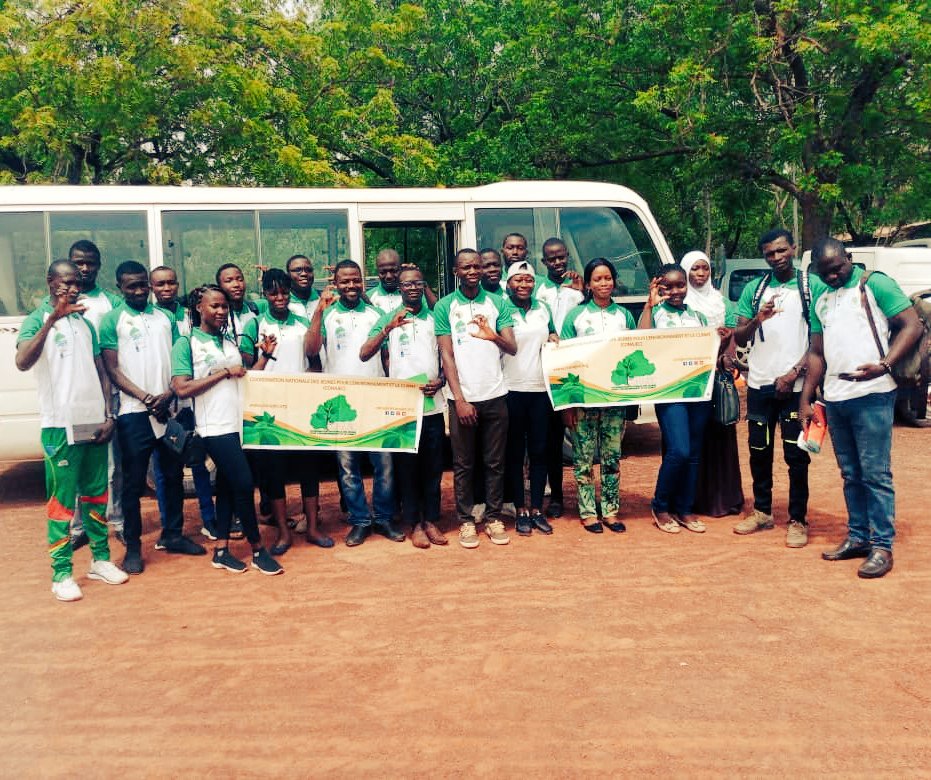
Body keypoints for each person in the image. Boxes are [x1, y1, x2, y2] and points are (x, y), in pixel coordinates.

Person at [801, 238, 924, 579]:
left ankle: (882, 546)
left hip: (873, 393)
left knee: (875, 474)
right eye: (825, 273)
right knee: (851, 474)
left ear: (849, 259)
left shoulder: (875, 284)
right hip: (836, 397)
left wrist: (884, 364)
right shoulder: (822, 300)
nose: (833, 277)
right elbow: (816, 352)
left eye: (837, 269)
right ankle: (858, 538)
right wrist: (806, 398)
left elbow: (911, 325)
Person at [15, 259, 129, 601]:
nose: (72, 288)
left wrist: (109, 413)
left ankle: (100, 560)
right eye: (64, 282)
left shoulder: (84, 322)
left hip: (93, 421)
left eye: (76, 282)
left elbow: (100, 371)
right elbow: (22, 361)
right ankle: (61, 573)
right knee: (62, 502)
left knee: (97, 495)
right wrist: (52, 319)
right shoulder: (38, 319)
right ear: (50, 282)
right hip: (58, 426)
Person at [99, 261, 206, 574]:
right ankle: (133, 548)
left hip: (167, 410)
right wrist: (145, 397)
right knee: (132, 485)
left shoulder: (166, 317)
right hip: (134, 415)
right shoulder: (112, 320)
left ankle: (173, 535)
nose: (138, 290)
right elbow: (112, 369)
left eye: (142, 284)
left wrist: (169, 395)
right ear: (120, 287)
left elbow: (178, 362)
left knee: (172, 476)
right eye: (131, 286)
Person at [171, 285, 283, 575]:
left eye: (224, 307)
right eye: (215, 306)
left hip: (238, 425)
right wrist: (222, 372)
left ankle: (221, 550)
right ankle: (258, 550)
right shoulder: (187, 343)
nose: (221, 312)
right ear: (199, 308)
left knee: (228, 487)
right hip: (213, 428)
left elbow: (243, 379)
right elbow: (181, 388)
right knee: (244, 485)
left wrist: (265, 357)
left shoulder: (229, 342)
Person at [305, 260, 405, 547]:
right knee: (348, 466)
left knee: (383, 463)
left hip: (374, 396)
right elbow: (311, 350)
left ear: (362, 282)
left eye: (355, 280)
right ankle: (360, 520)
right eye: (345, 281)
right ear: (335, 283)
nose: (351, 286)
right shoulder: (327, 313)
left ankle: (384, 518)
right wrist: (318, 312)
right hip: (339, 400)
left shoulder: (376, 313)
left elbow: (387, 357)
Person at [732, 229, 811, 548]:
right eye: (770, 253)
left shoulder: (810, 286)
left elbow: (819, 342)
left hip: (795, 386)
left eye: (781, 251)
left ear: (793, 248)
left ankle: (798, 519)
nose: (777, 257)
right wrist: (757, 320)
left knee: (796, 455)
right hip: (760, 384)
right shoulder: (755, 288)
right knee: (759, 451)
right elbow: (740, 337)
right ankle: (762, 511)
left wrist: (793, 374)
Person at [244, 269, 332, 553]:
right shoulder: (255, 323)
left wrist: (318, 313)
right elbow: (247, 367)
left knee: (309, 468)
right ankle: (283, 532)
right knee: (274, 472)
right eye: (273, 293)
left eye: (284, 292)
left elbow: (313, 356)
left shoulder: (302, 321)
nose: (280, 297)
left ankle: (314, 527)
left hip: (301, 405)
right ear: (265, 294)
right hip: (267, 409)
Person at [359, 264, 448, 548]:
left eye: (417, 283)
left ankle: (431, 520)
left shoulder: (435, 318)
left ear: (423, 286)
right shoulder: (389, 316)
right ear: (399, 289)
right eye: (407, 284)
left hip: (432, 403)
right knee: (406, 469)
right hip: (402, 408)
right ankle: (413, 524)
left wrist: (442, 380)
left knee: (433, 467)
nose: (412, 288)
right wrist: (388, 328)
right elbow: (364, 354)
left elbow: (448, 356)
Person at [435, 248, 517, 548]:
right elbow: (446, 354)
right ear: (456, 271)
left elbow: (511, 347)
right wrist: (459, 399)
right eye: (466, 267)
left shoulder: (497, 303)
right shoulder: (445, 306)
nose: (472, 271)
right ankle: (466, 521)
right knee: (463, 463)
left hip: (495, 395)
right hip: (463, 399)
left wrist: (491, 334)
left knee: (495, 462)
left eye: (477, 266)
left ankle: (494, 517)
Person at [639, 264, 719, 534]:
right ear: (659, 288)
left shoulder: (697, 316)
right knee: (679, 451)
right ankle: (660, 506)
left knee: (694, 454)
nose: (675, 291)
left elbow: (708, 349)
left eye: (680, 285)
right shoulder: (657, 313)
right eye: (668, 287)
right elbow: (642, 339)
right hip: (669, 391)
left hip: (697, 391)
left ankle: (685, 509)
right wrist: (650, 305)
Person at [560, 258, 635, 534]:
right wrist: (568, 403)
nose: (603, 283)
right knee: (583, 457)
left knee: (612, 456)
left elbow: (633, 354)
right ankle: (588, 511)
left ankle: (611, 510)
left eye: (608, 278)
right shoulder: (575, 317)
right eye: (597, 279)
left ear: (614, 281)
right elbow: (565, 359)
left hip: (614, 399)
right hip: (584, 398)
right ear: (589, 284)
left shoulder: (624, 316)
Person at [150, 266, 218, 540]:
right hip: (163, 406)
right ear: (153, 287)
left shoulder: (187, 314)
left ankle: (209, 519)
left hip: (192, 402)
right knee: (166, 472)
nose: (166, 289)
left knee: (199, 463)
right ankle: (170, 529)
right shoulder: (151, 317)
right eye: (160, 285)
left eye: (171, 284)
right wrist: (166, 393)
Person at [680, 250, 744, 517]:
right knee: (691, 439)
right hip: (688, 378)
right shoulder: (679, 301)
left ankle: (721, 500)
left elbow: (732, 339)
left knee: (718, 434)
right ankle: (689, 499)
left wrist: (725, 360)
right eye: (695, 269)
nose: (700, 274)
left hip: (716, 377)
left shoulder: (722, 303)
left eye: (704, 268)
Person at [68, 240, 124, 548]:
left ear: (99, 265)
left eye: (90, 263)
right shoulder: (62, 302)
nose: (84, 268)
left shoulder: (111, 302)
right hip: (77, 396)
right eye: (79, 262)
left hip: (107, 393)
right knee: (79, 463)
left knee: (112, 465)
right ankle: (79, 526)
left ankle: (114, 519)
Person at [502, 261, 557, 536]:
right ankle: (520, 509)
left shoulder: (542, 308)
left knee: (539, 451)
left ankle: (537, 508)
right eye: (518, 280)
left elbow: (553, 335)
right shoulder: (501, 308)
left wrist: (554, 339)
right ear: (508, 283)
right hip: (510, 389)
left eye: (528, 280)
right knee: (513, 452)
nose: (523, 285)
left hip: (539, 390)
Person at [534, 237, 584, 519]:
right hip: (540, 371)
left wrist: (583, 291)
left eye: (561, 257)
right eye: (551, 259)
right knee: (548, 440)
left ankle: (575, 496)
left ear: (567, 257)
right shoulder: (536, 288)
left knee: (573, 435)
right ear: (544, 262)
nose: (557, 262)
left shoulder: (576, 290)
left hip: (571, 370)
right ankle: (553, 497)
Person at [367, 248, 438, 312]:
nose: (389, 276)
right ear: (378, 272)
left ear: (400, 269)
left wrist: (418, 277)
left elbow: (435, 309)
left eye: (393, 271)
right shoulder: (369, 297)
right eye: (383, 272)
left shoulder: (412, 293)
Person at [216, 263, 260, 365]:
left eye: (240, 279)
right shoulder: (216, 316)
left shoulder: (254, 310)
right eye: (229, 281)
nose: (236, 284)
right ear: (219, 286)